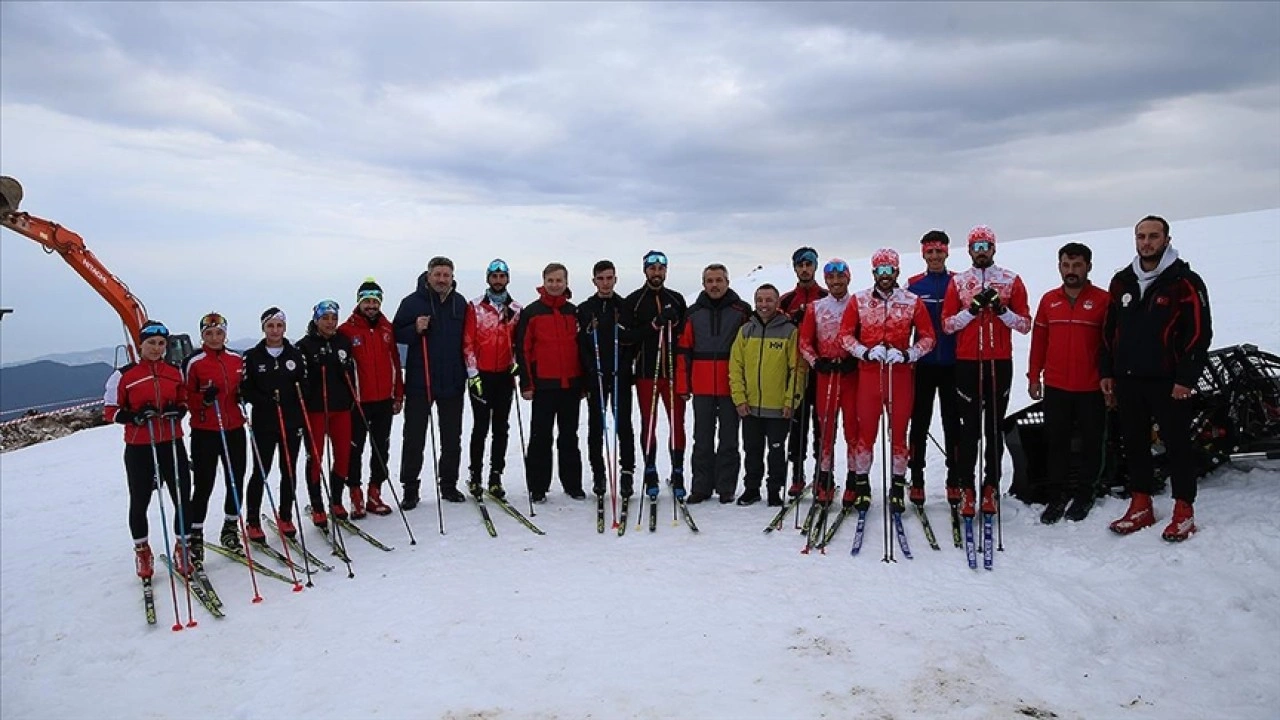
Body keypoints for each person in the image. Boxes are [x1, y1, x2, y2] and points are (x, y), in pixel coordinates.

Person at [1101, 215, 1212, 542]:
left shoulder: (1184, 281)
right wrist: (1107, 371)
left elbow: (1199, 334)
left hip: (1169, 382)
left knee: (1177, 445)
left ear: (1166, 239)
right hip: (1129, 379)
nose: (1146, 242)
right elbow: (1110, 332)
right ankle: (1141, 503)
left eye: (1153, 236)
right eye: (1141, 236)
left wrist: (1186, 378)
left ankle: (1183, 509)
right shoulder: (1122, 281)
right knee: (1134, 444)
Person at [941, 226, 1032, 518]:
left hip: (999, 361)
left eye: (986, 246)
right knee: (969, 431)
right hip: (967, 362)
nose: (981, 251)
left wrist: (1002, 311)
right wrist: (971, 311)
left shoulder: (1010, 280)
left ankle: (990, 486)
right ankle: (967, 488)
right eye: (976, 246)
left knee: (993, 427)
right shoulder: (959, 282)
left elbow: (1025, 324)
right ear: (969, 250)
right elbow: (947, 324)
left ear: (993, 248)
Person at [840, 249, 935, 512]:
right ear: (874, 272)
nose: (885, 275)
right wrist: (865, 351)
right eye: (880, 270)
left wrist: (907, 354)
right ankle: (862, 486)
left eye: (889, 270)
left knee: (899, 436)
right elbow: (845, 336)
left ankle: (897, 486)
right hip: (869, 376)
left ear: (897, 271)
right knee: (865, 434)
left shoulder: (912, 301)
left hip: (900, 376)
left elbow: (928, 338)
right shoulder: (858, 300)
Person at [1027, 242, 1111, 524]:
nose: (1071, 271)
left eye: (1077, 265)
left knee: (1091, 442)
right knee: (1057, 443)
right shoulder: (1049, 300)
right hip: (1056, 385)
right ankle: (1057, 496)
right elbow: (1039, 341)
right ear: (1059, 266)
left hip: (1092, 387)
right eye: (1066, 265)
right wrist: (1033, 376)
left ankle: (1085, 493)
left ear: (1088, 266)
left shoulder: (1103, 300)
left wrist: (1112, 380)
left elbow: (1112, 345)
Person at [105, 320, 192, 579]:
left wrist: (181, 409)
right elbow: (110, 411)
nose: (156, 348)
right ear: (140, 344)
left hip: (171, 442)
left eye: (161, 344)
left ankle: (183, 546)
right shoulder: (124, 374)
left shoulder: (175, 371)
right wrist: (134, 416)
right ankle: (142, 551)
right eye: (151, 343)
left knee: (181, 497)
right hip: (139, 446)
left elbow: (184, 399)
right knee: (140, 500)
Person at [392, 256, 470, 508]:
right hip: (420, 379)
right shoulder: (412, 302)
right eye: (437, 274)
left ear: (452, 277)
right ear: (428, 276)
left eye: (446, 275)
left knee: (451, 437)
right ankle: (410, 488)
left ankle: (448, 485)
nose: (441, 279)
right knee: (414, 436)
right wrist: (414, 328)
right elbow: (395, 334)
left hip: (452, 380)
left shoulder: (460, 303)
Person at [677, 263, 752, 503]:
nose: (715, 285)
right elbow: (683, 351)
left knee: (729, 439)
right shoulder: (693, 313)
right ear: (703, 284)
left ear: (727, 282)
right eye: (710, 281)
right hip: (701, 386)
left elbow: (749, 352)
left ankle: (726, 486)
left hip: (731, 386)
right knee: (702, 438)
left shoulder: (741, 311)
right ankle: (701, 486)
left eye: (719, 280)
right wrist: (682, 385)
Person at [515, 263, 584, 501]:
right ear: (543, 282)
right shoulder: (532, 313)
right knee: (541, 437)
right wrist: (527, 383)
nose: (555, 285)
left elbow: (582, 349)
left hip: (570, 386)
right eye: (551, 281)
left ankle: (572, 484)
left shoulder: (573, 312)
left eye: (559, 281)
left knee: (569, 436)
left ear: (566, 282)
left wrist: (583, 383)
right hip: (544, 385)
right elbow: (522, 350)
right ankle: (538, 486)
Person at [181, 312, 247, 559]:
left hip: (234, 428)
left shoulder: (236, 359)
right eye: (209, 334)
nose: (215, 337)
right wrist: (203, 400)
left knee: (235, 479)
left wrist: (242, 395)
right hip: (205, 431)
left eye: (219, 333)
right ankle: (195, 533)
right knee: (204, 483)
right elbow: (185, 395)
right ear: (202, 336)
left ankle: (230, 528)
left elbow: (243, 385)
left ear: (225, 334)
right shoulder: (193, 362)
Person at [624, 250, 689, 500]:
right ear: (645, 271)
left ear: (666, 271)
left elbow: (685, 335)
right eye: (652, 268)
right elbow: (626, 337)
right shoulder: (634, 301)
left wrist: (675, 325)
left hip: (672, 373)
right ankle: (650, 472)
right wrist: (654, 325)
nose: (656, 273)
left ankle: (678, 471)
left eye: (661, 269)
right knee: (648, 424)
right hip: (646, 373)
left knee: (677, 423)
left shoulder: (677, 298)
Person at [729, 284, 802, 506]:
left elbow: (797, 370)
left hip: (779, 407)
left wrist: (791, 400)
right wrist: (739, 398)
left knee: (777, 452)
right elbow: (735, 366)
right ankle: (752, 488)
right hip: (750, 406)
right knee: (752, 450)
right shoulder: (746, 331)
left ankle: (774, 490)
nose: (763, 304)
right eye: (759, 300)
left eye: (768, 300)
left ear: (777, 302)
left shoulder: (789, 331)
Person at [241, 307, 309, 541]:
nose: (275, 330)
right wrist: (264, 399)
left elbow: (304, 382)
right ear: (263, 328)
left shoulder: (295, 353)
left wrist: (297, 395)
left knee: (288, 469)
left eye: (279, 325)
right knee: (261, 471)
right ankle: (252, 520)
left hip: (291, 420)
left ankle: (286, 515)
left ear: (285, 327)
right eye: (270, 326)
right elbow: (246, 389)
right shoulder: (252, 356)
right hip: (264, 421)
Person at [339, 278, 404, 517]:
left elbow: (395, 362)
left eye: (375, 301)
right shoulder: (346, 330)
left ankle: (374, 491)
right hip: (358, 401)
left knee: (381, 448)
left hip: (384, 400)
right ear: (359, 302)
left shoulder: (387, 328)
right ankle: (354, 493)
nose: (371, 306)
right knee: (354, 448)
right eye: (366, 301)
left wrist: (398, 394)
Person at [797, 258, 859, 506]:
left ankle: (855, 478)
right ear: (826, 279)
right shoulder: (816, 307)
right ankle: (825, 476)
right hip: (825, 375)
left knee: (852, 430)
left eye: (840, 277)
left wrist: (855, 358)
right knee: (826, 431)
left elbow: (865, 336)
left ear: (848, 278)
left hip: (850, 376)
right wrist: (816, 362)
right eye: (831, 278)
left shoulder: (858, 303)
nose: (836, 282)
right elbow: (804, 342)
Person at [576, 259, 639, 499]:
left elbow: (632, 341)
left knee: (624, 424)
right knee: (596, 426)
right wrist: (590, 370)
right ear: (594, 281)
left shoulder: (624, 307)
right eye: (601, 278)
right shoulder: (585, 308)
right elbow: (581, 344)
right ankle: (599, 472)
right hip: (597, 375)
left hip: (619, 374)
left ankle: (626, 472)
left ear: (615, 279)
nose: (605, 283)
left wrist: (625, 366)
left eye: (609, 278)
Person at [906, 230, 960, 505]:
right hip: (923, 365)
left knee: (953, 424)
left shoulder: (959, 282)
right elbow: (904, 324)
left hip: (953, 365)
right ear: (923, 254)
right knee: (919, 423)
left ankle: (954, 481)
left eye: (939, 251)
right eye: (930, 252)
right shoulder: (914, 285)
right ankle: (916, 479)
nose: (935, 256)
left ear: (947, 252)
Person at [462, 259, 522, 499]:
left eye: (502, 276)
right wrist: (473, 373)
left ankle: (495, 476)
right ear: (488, 278)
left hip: (504, 376)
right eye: (494, 276)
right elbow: (467, 342)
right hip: (481, 375)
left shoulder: (516, 309)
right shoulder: (475, 306)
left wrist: (516, 363)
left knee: (501, 428)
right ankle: (475, 475)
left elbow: (518, 343)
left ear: (507, 279)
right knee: (480, 427)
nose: (498, 280)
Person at [295, 300, 357, 526]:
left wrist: (352, 396)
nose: (330, 322)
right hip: (315, 409)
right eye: (325, 318)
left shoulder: (343, 341)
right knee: (316, 457)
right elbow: (300, 380)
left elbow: (350, 371)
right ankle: (317, 504)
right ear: (316, 320)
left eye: (333, 318)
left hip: (341, 407)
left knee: (343, 454)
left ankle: (336, 500)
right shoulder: (304, 345)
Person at [778, 246, 827, 491]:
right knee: (796, 424)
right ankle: (797, 474)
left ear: (815, 266)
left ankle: (822, 474)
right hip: (795, 370)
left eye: (809, 264)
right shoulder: (786, 300)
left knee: (822, 424)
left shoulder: (827, 296)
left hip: (821, 369)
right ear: (795, 268)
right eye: (800, 265)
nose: (805, 269)